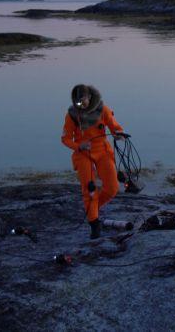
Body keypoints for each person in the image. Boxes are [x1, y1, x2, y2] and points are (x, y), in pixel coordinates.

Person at [61, 84, 125, 239]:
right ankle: (94, 224)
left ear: (89, 97)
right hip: (83, 154)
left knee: (112, 188)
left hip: (103, 151)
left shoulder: (103, 109)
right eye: (77, 101)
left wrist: (118, 134)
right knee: (89, 190)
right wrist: (78, 146)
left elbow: (114, 126)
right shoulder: (71, 115)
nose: (80, 104)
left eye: (82, 100)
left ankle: (92, 209)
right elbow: (65, 138)